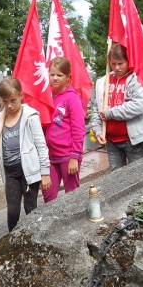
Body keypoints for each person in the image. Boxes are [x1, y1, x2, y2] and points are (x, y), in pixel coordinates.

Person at [0, 77, 51, 231]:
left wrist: (45, 172)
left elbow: (41, 145)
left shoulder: (30, 116)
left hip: (28, 171)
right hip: (10, 173)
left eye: (13, 100)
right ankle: (12, 242)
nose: (9, 105)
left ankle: (35, 239)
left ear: (21, 95)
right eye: (5, 101)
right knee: (13, 211)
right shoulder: (0, 118)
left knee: (30, 207)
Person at [91, 44, 143, 171]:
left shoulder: (137, 80)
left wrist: (111, 113)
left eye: (120, 63)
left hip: (133, 140)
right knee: (116, 178)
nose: (117, 67)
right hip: (111, 140)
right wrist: (98, 130)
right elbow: (97, 109)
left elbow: (138, 105)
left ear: (128, 61)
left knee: (137, 174)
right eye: (113, 64)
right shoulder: (103, 82)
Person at [42, 56, 85, 203]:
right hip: (50, 157)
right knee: (48, 195)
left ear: (68, 77)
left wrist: (74, 157)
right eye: (52, 74)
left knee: (72, 197)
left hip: (68, 156)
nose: (55, 78)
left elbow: (79, 130)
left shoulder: (73, 99)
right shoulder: (47, 96)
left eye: (59, 75)